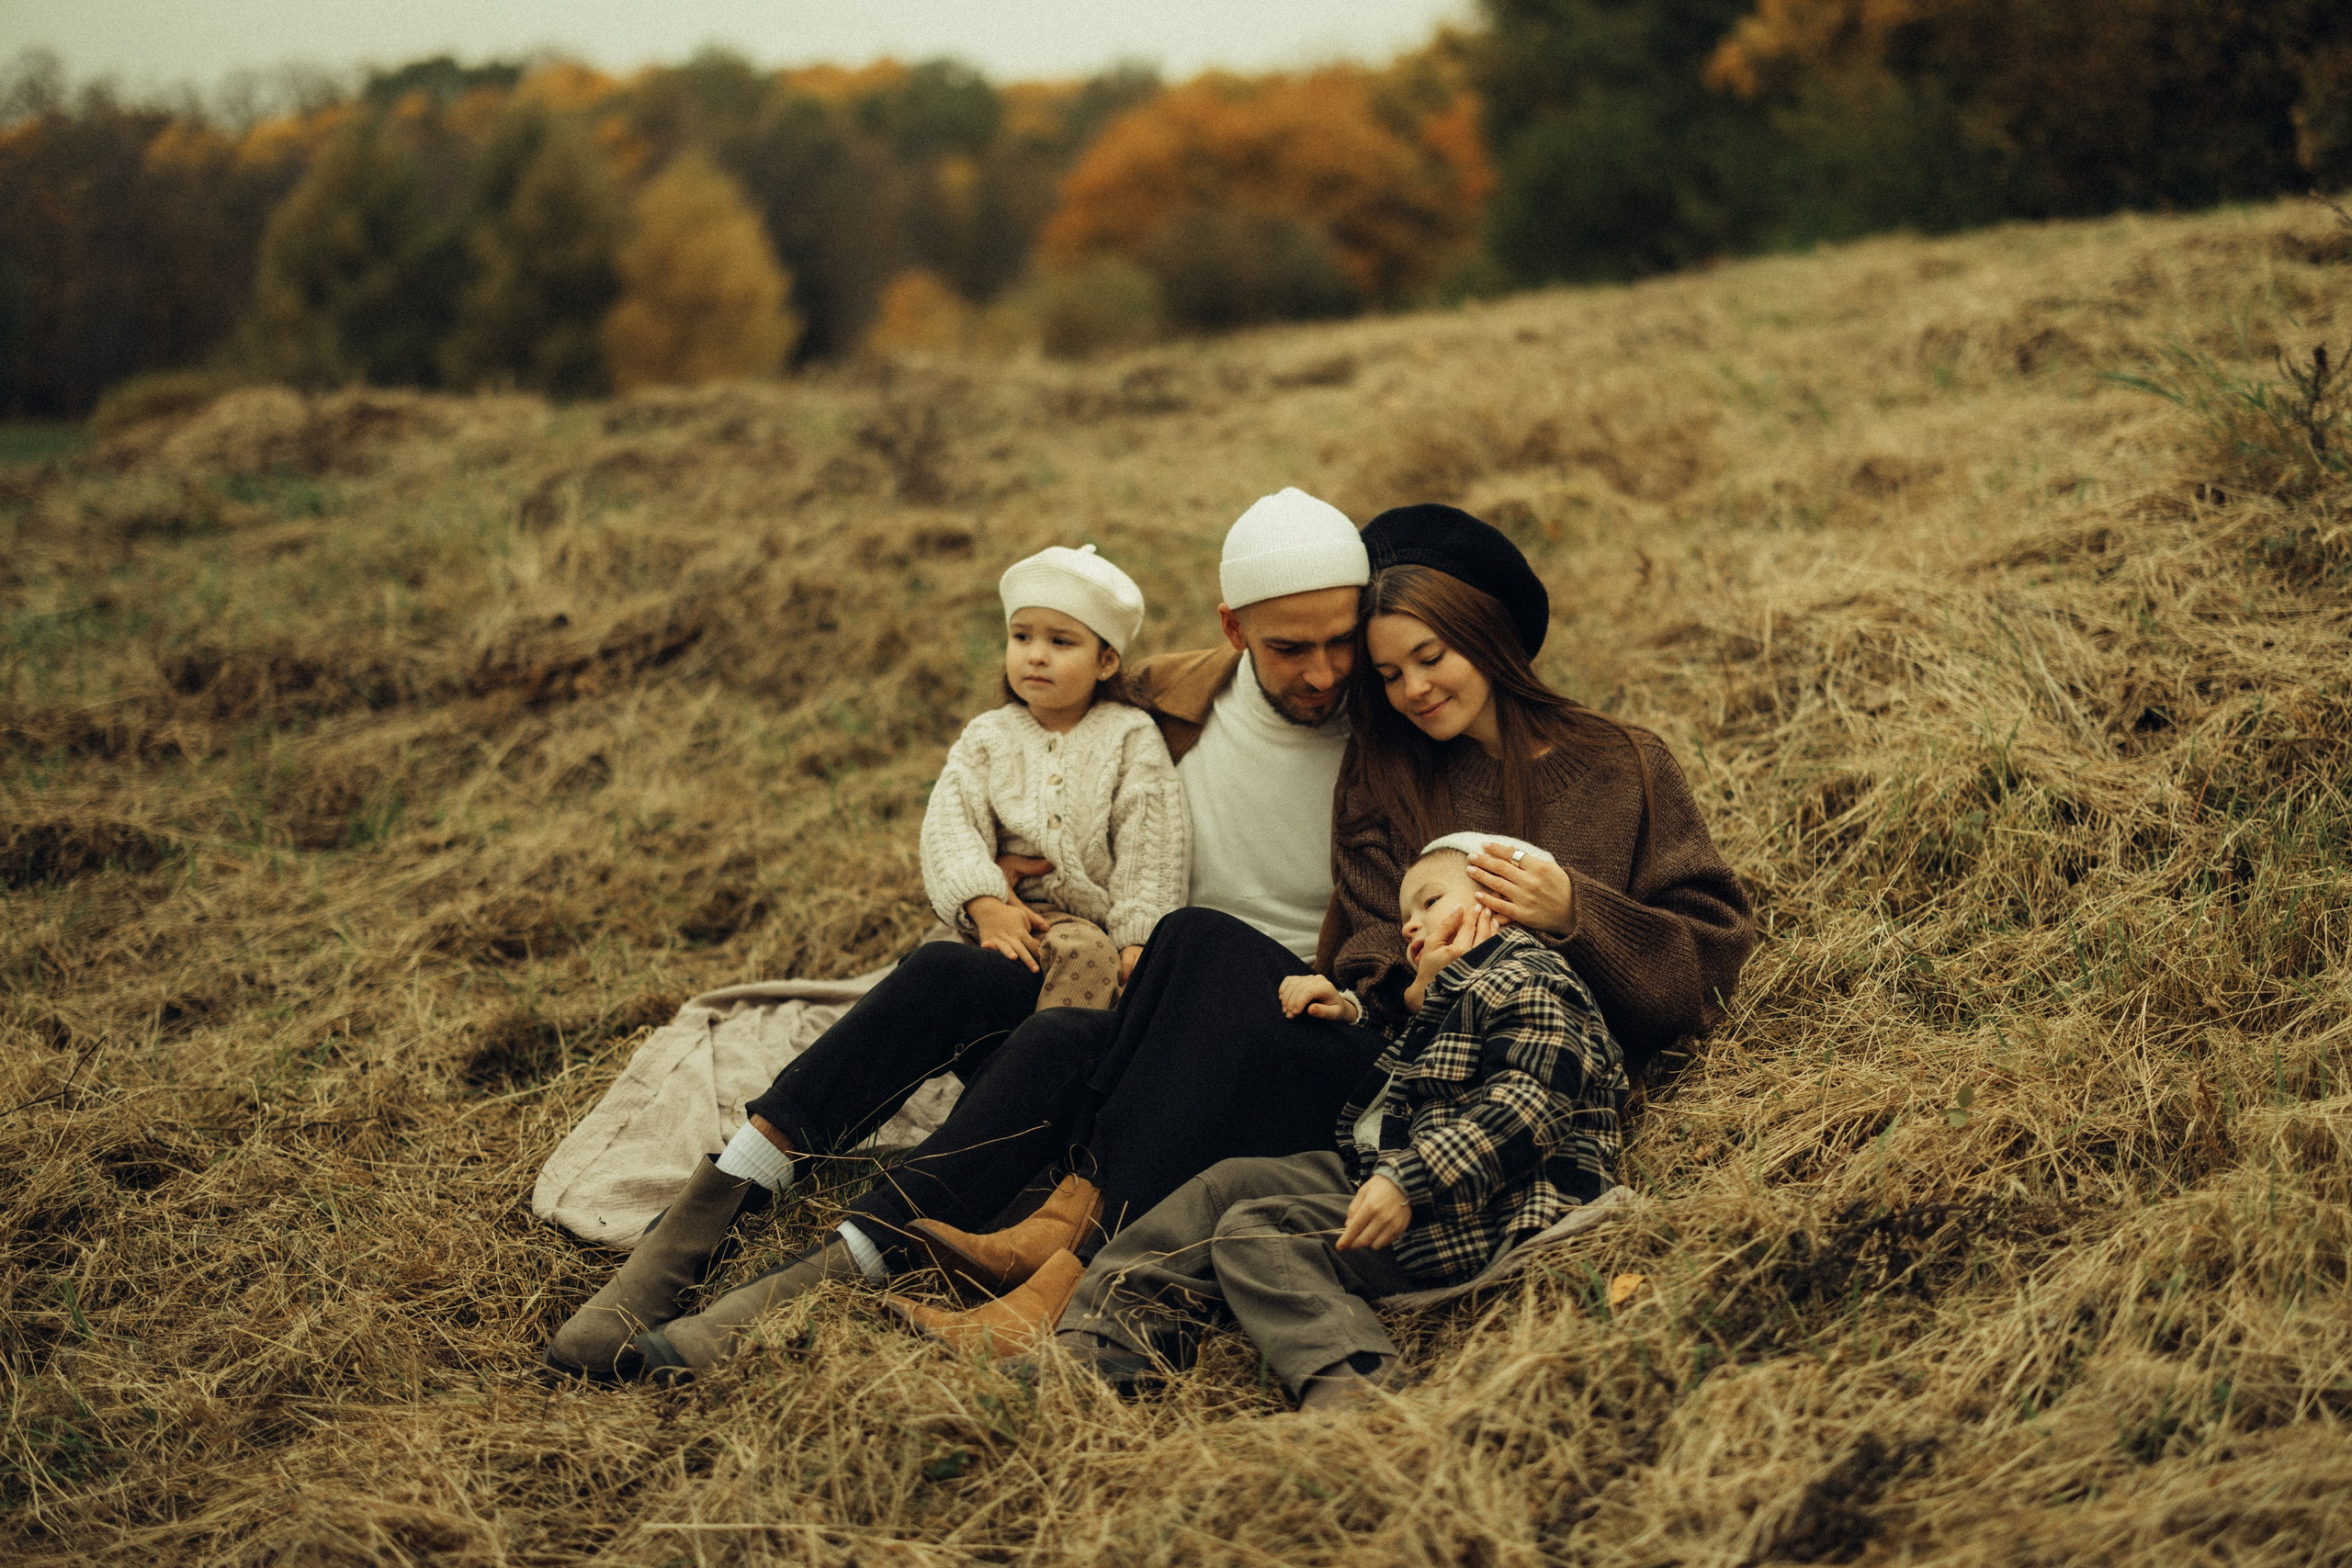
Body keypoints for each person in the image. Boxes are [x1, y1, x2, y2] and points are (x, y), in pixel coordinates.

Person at [542, 487, 1386, 1384]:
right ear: (1232, 628)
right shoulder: (1161, 702)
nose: (1324, 672)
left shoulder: (1397, 733)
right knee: (950, 974)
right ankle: (713, 1208)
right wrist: (1000, 877)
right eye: (1290, 648)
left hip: (1269, 1038)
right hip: (1135, 1004)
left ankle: (846, 1266)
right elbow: (1052, 758)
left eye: (1343, 641)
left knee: (1148, 971)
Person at [966, 502, 1756, 1381]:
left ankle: (1075, 1267)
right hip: (1397, 1065)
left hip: (1520, 1092)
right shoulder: (1388, 773)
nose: (1413, 689)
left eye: (1432, 656)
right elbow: (1374, 932)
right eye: (1388, 674)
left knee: (1202, 1050)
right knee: (1190, 961)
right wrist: (1394, 983)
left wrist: (1576, 909)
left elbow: (1713, 952)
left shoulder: (1624, 763)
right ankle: (1086, 1305)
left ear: (1486, 637)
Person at [1012, 834, 1621, 1408]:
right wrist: (1358, 1014)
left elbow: (1529, 1101)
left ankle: (1354, 1384)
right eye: (1406, 916)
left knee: (1258, 1231)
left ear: (1501, 904)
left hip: (1486, 1210)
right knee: (1226, 1185)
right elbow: (1418, 1076)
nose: (1410, 925)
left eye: (1431, 902)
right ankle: (1103, 1339)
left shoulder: (1531, 977)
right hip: (1400, 1176)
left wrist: (1410, 1179)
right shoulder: (1453, 996)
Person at [918, 542, 1187, 1013]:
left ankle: (1052, 1052)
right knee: (940, 971)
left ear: (1106, 661)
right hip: (1002, 911)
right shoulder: (988, 736)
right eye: (1022, 637)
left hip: (1090, 928)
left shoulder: (1129, 735)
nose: (1036, 656)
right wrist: (985, 905)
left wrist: (1138, 937)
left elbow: (1151, 843)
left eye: (1061, 642)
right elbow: (950, 825)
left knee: (1088, 956)